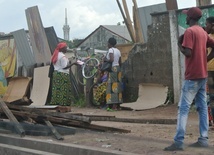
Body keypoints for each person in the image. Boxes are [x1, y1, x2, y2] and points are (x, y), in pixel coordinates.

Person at [164, 7, 214, 151]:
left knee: (183, 108)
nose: (185, 18)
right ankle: (203, 139)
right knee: (202, 108)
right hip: (203, 75)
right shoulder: (203, 32)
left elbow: (188, 53)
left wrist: (179, 44)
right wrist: (206, 59)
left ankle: (178, 142)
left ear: (190, 18)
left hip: (192, 76)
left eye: (186, 16)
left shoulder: (190, 32)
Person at [105, 37, 123, 110]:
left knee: (112, 87)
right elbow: (120, 62)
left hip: (112, 69)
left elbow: (111, 59)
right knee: (117, 86)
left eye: (108, 43)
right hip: (118, 69)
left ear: (109, 43)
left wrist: (106, 59)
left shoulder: (110, 50)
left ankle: (113, 106)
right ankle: (118, 105)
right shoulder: (118, 51)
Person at [205, 16, 214, 126]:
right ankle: (211, 121)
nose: (206, 26)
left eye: (207, 24)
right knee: (210, 98)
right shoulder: (207, 37)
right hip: (209, 70)